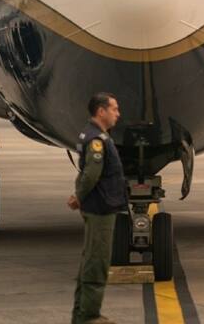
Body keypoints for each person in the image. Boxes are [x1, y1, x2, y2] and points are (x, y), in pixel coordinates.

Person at [69, 93, 128, 324]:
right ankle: (89, 316)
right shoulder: (97, 139)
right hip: (100, 208)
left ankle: (80, 314)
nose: (118, 114)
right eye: (114, 109)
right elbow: (91, 174)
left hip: (97, 206)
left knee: (89, 262)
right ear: (101, 111)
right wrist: (78, 197)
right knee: (97, 263)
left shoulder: (93, 134)